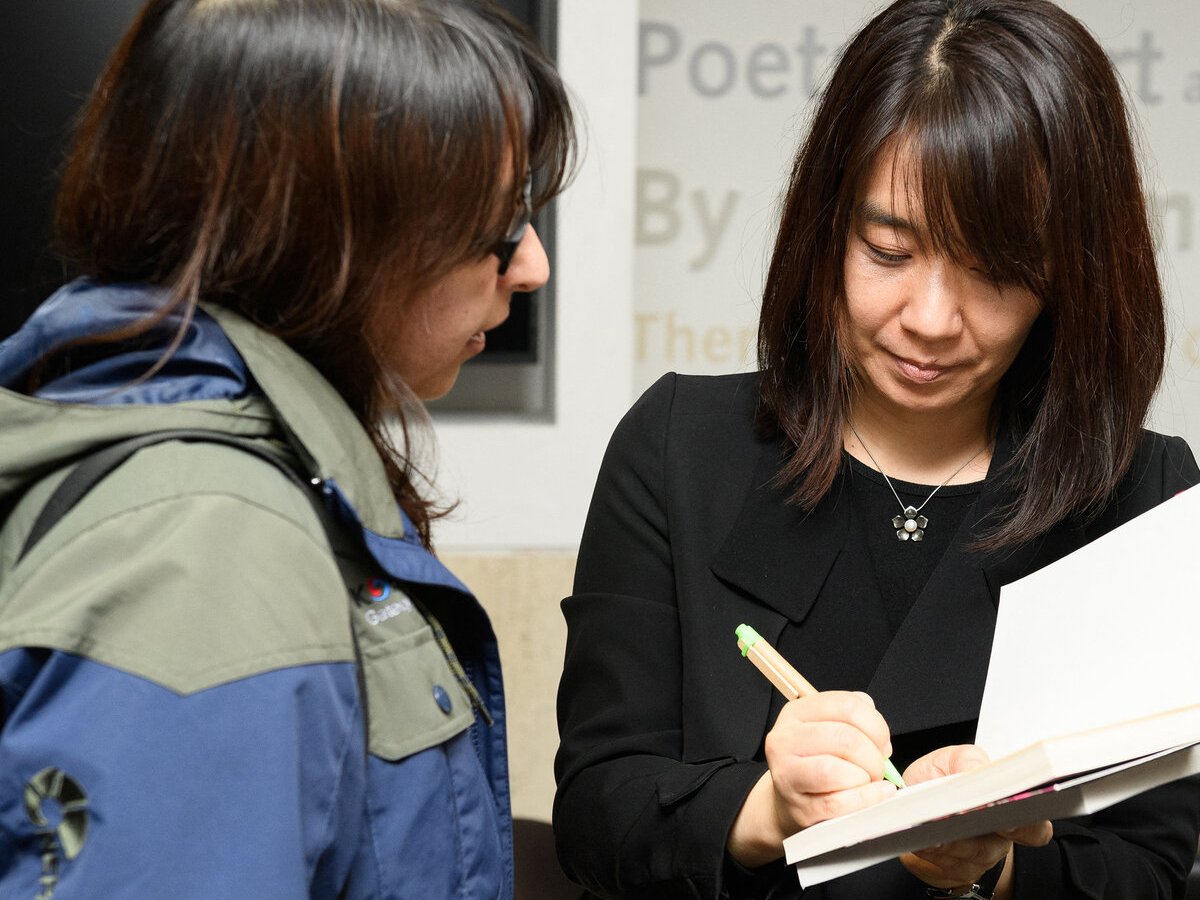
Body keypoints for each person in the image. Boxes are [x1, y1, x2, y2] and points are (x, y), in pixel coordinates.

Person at [553, 0, 1200, 898]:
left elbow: (1157, 869)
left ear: (1072, 272)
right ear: (826, 227)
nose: (930, 321)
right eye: (888, 249)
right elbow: (595, 812)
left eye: (997, 271)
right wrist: (767, 812)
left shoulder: (1141, 496)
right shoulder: (679, 450)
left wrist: (994, 868)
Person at [0, 0, 574, 897]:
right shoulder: (202, 549)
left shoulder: (238, 489)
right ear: (335, 238)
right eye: (495, 230)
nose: (531, 265)